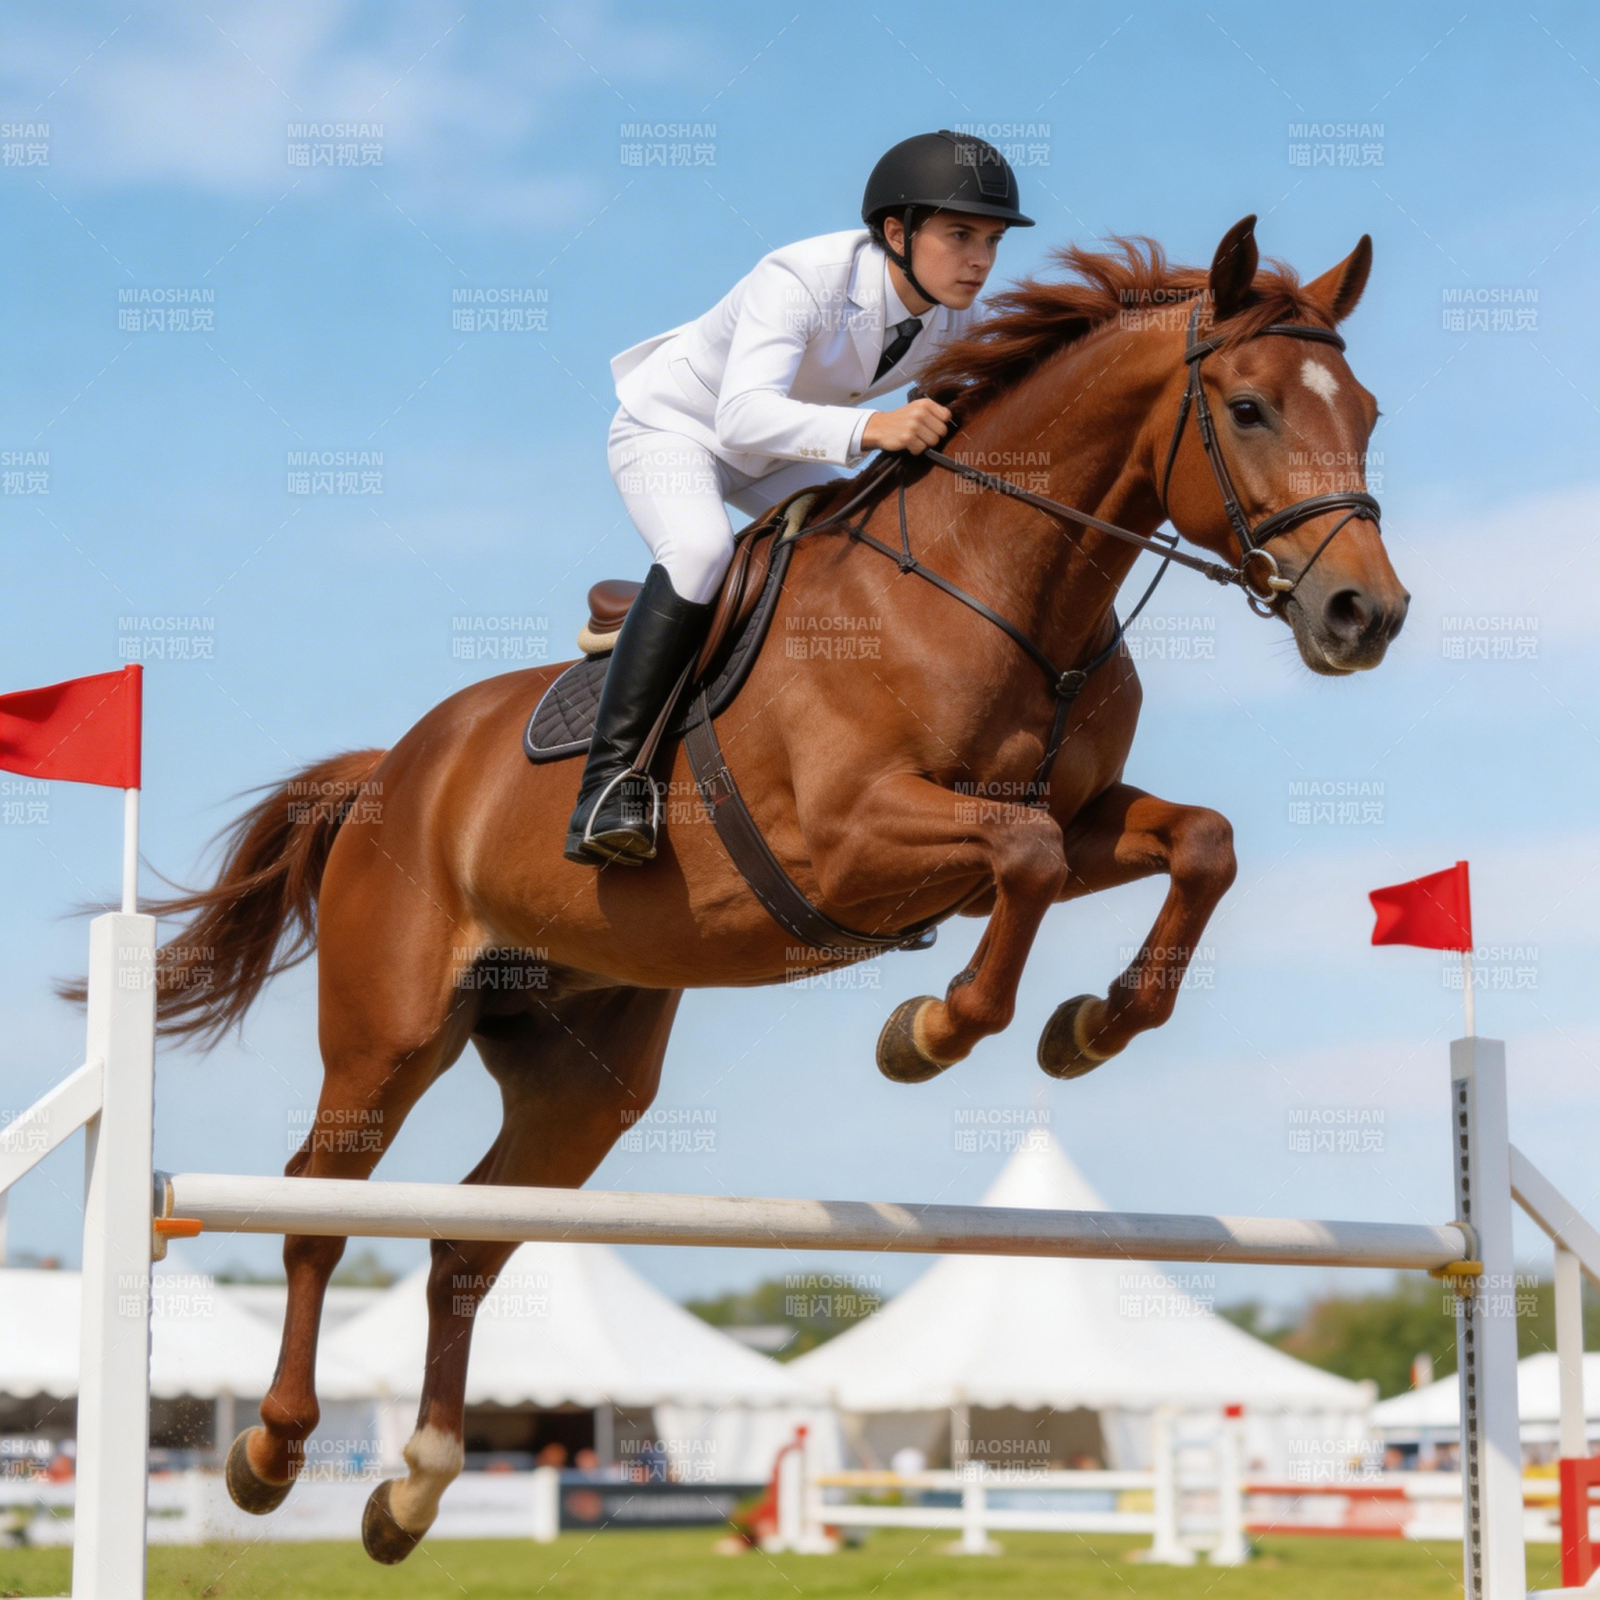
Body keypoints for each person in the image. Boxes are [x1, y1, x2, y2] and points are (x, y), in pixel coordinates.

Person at [564, 130, 1034, 866]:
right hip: (678, 431)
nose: (981, 260)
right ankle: (609, 783)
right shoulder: (802, 277)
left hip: (785, 453)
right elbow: (741, 415)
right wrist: (876, 426)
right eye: (961, 235)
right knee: (699, 549)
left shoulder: (957, 319)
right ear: (895, 232)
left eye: (993, 241)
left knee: (865, 552)